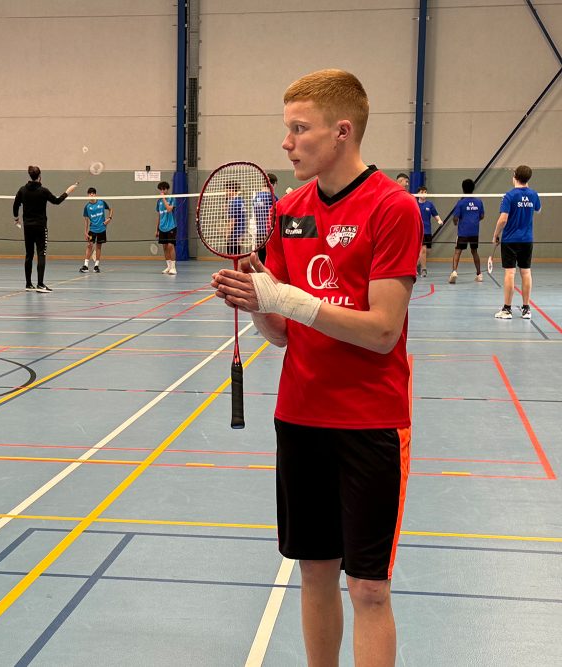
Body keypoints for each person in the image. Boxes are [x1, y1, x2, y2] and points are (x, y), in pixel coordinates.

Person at [212, 69, 420, 667]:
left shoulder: (392, 207)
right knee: (315, 573)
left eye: (299, 129)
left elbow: (383, 330)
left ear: (342, 131)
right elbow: (282, 332)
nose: (287, 142)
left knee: (370, 589)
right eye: (287, 129)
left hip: (370, 424)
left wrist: (289, 299)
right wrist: (255, 301)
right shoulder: (290, 211)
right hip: (300, 416)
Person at [12, 165, 77, 292]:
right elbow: (57, 201)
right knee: (41, 253)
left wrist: (16, 219)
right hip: (40, 227)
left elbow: (15, 206)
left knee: (29, 254)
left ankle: (28, 284)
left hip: (28, 227)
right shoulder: (43, 191)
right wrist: (68, 191)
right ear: (40, 176)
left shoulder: (22, 190)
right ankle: (40, 284)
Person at [492, 165, 541, 319]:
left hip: (510, 240)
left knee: (510, 273)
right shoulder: (534, 195)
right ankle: (526, 309)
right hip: (527, 239)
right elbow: (538, 210)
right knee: (526, 272)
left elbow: (503, 219)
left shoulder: (509, 196)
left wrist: (495, 235)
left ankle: (507, 310)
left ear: (514, 176)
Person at [449, 178, 485, 284]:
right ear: (473, 188)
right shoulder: (479, 202)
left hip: (463, 232)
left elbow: (456, 218)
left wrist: (456, 223)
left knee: (457, 251)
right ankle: (479, 274)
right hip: (474, 232)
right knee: (474, 251)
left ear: (463, 189)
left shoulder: (461, 203)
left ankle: (454, 272)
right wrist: (474, 220)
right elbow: (482, 216)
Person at [80, 186, 111, 273]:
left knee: (98, 247)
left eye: (93, 193)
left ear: (95, 194)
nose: (92, 195)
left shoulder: (101, 203)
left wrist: (109, 218)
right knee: (89, 245)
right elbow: (86, 220)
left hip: (102, 229)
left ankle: (96, 266)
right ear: (88, 195)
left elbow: (111, 209)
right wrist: (85, 232)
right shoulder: (87, 207)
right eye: (90, 194)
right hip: (92, 230)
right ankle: (85, 266)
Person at [416, 186, 443, 278]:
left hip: (428, 231)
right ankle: (424, 269)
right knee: (422, 250)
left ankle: (417, 264)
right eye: (422, 192)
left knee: (428, 251)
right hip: (419, 230)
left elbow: (435, 214)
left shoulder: (430, 204)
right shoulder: (415, 204)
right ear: (418, 193)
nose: (424, 194)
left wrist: (439, 220)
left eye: (425, 192)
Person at [253, 173, 277, 263]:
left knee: (261, 260)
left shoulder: (256, 198)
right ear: (274, 184)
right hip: (269, 234)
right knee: (269, 261)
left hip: (259, 233)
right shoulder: (273, 198)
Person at [156, 180, 177, 274]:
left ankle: (173, 268)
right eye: (160, 189)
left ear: (167, 189)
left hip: (171, 226)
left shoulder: (172, 198)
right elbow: (159, 215)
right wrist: (157, 229)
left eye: (164, 189)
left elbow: (169, 209)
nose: (162, 191)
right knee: (164, 247)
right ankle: (168, 267)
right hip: (162, 227)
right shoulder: (158, 202)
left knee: (170, 245)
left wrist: (164, 198)